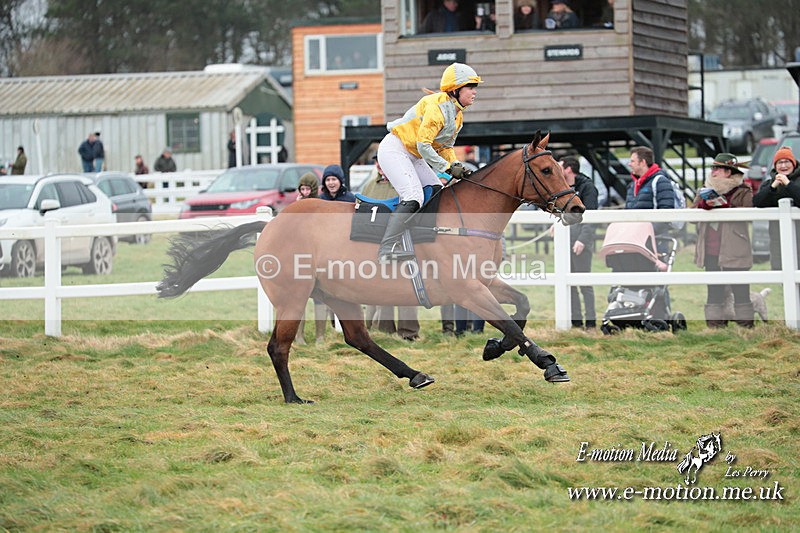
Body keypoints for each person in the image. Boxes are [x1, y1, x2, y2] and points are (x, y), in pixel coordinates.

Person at [376, 62, 482, 262]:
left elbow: (445, 148)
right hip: (395, 149)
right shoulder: (437, 108)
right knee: (413, 196)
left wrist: (456, 166)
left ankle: (420, 241)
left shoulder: (458, 116)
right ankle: (386, 249)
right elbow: (424, 145)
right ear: (456, 89)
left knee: (435, 191)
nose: (474, 92)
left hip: (413, 154)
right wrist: (447, 167)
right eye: (471, 87)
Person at [361, 156, 421, 341]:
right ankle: (385, 330)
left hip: (402, 240)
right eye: (377, 162)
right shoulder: (370, 185)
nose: (380, 165)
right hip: (377, 241)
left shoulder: (403, 184)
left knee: (405, 285)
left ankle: (408, 332)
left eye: (383, 161)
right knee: (383, 285)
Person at [693, 153, 754, 328]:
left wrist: (724, 207)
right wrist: (704, 205)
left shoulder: (743, 190)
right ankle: (714, 330)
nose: (713, 172)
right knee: (714, 291)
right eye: (713, 168)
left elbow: (749, 213)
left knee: (741, 290)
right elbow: (691, 214)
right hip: (711, 249)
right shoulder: (705, 189)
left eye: (717, 168)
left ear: (728, 171)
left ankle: (746, 329)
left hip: (735, 248)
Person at [560, 156, 599, 329]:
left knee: (584, 283)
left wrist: (582, 240)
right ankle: (576, 322)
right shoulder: (562, 187)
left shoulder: (587, 187)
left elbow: (590, 217)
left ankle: (590, 322)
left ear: (568, 169)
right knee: (570, 285)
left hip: (580, 242)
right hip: (565, 241)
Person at [753, 145, 800, 275]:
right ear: (775, 165)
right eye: (780, 162)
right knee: (781, 272)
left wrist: (788, 184)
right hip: (778, 237)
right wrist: (773, 186)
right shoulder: (769, 184)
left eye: (787, 162)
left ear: (793, 164)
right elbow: (757, 202)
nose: (783, 165)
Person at [294, 171, 322, 345]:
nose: (304, 192)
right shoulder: (296, 207)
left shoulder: (319, 206)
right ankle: (299, 336)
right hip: (301, 256)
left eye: (307, 188)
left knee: (320, 298)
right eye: (302, 189)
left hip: (317, 256)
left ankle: (321, 335)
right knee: (300, 298)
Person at [625, 146, 676, 235]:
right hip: (635, 239)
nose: (629, 164)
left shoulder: (660, 182)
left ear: (643, 162)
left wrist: (647, 233)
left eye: (632, 161)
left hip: (655, 240)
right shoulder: (633, 185)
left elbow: (666, 213)